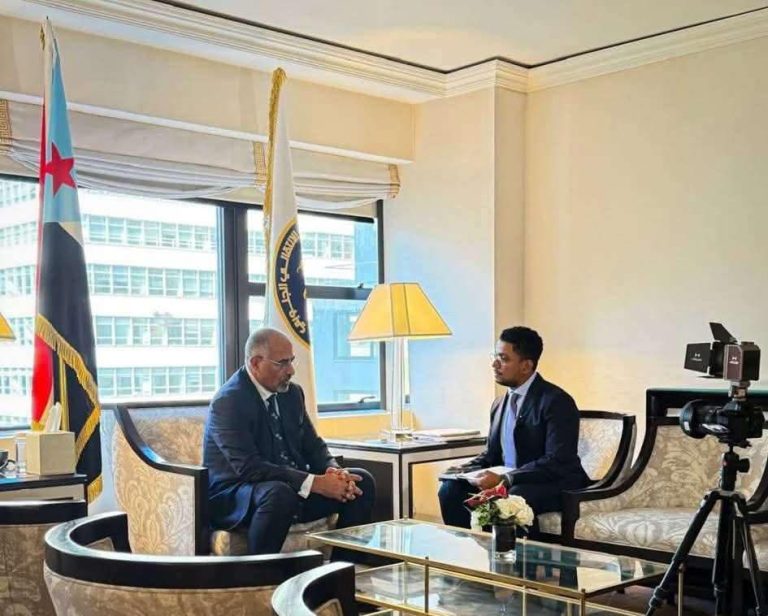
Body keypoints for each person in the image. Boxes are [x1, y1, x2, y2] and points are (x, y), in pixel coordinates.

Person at [203, 327, 375, 556]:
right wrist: (315, 483)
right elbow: (249, 468)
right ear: (256, 363)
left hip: (291, 490)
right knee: (278, 494)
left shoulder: (292, 394)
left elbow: (313, 446)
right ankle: (261, 574)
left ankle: (341, 568)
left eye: (291, 361)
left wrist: (334, 472)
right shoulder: (229, 401)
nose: (291, 370)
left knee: (361, 483)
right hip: (240, 496)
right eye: (282, 363)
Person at [438, 326, 589, 530]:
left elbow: (557, 460)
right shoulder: (499, 403)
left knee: (510, 498)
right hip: (511, 480)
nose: (494, 364)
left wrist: (506, 478)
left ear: (526, 366)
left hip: (552, 482)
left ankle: (515, 551)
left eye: (503, 358)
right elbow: (491, 455)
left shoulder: (556, 401)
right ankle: (471, 547)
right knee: (450, 490)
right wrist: (462, 471)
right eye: (495, 356)